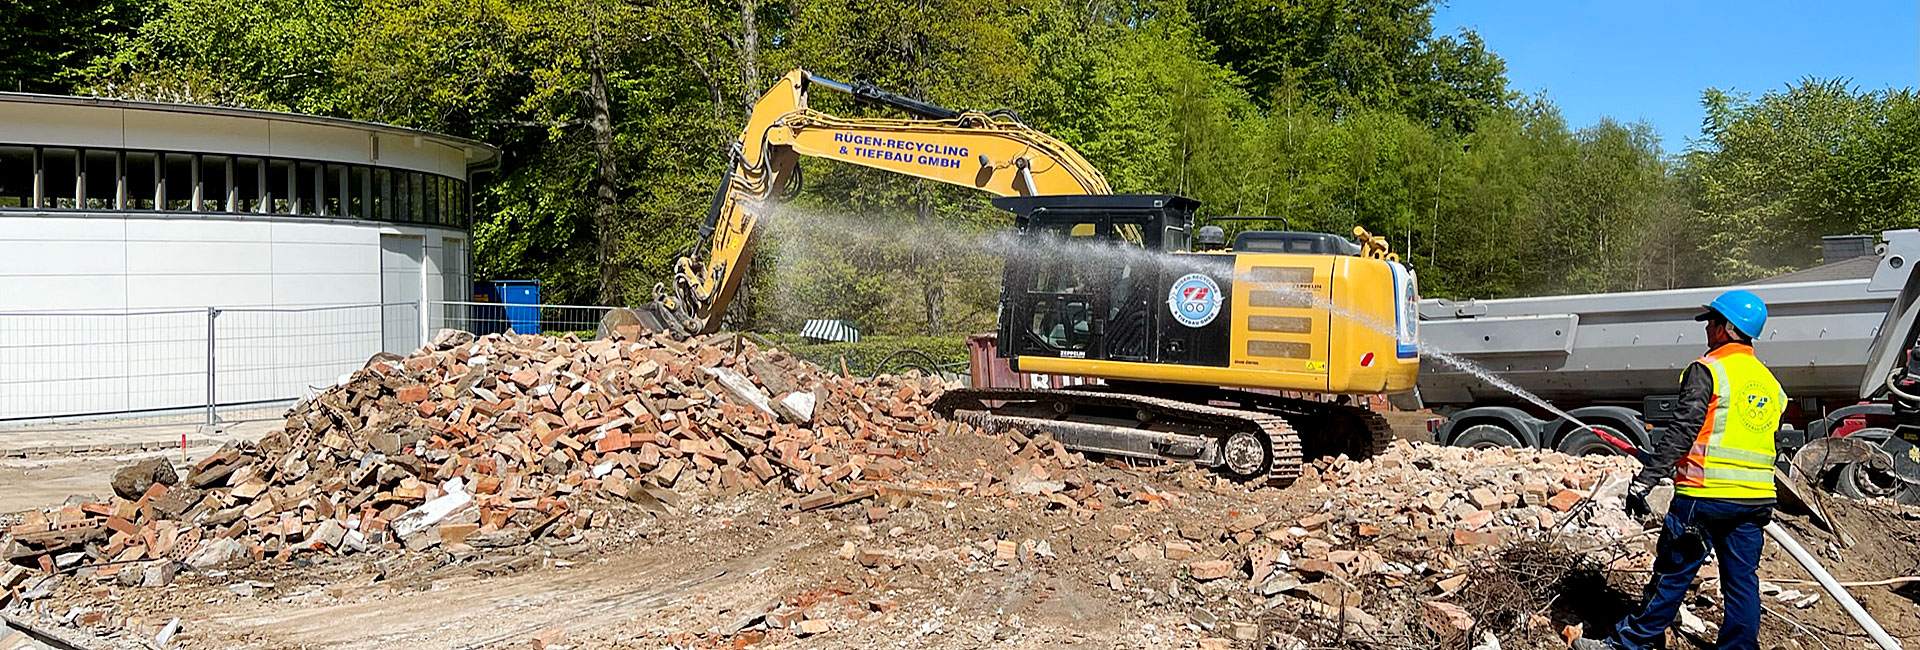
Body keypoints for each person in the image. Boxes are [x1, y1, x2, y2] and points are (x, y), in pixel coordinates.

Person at [1575, 289, 1785, 650]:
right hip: (1755, 500)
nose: (1707, 330)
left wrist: (1646, 479)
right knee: (1742, 584)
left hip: (1703, 498)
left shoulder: (1709, 370)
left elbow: (1684, 430)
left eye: (1711, 322)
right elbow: (1760, 441)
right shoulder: (1769, 382)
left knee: (1672, 576)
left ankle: (1629, 644)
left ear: (1725, 328)